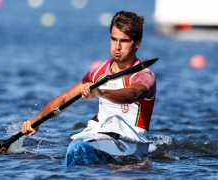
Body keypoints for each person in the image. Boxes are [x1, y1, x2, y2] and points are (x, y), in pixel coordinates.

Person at [21, 11, 156, 165]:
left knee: (112, 124)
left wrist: (100, 92)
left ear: (137, 43)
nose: (117, 47)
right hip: (100, 132)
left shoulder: (144, 76)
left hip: (132, 138)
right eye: (113, 39)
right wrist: (36, 121)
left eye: (124, 41)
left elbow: (132, 94)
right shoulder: (98, 72)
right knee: (79, 145)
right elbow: (65, 98)